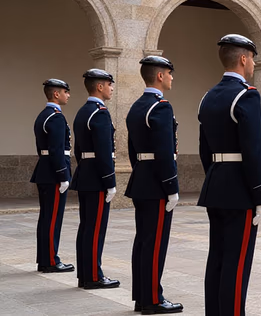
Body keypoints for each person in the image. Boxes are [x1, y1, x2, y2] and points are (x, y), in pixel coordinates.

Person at [198, 34, 261, 316]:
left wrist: (215, 177)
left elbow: (205, 149)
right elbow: (253, 149)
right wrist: (260, 194)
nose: (252, 64)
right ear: (243, 59)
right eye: (251, 58)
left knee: (217, 256)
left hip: (216, 184)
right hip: (240, 191)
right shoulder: (246, 95)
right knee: (237, 262)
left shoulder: (208, 96)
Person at [126, 56, 184, 314]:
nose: (172, 78)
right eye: (170, 73)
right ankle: (152, 299)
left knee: (143, 240)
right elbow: (164, 150)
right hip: (157, 184)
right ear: (160, 75)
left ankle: (141, 295)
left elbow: (132, 149)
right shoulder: (161, 107)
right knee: (155, 243)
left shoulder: (137, 106)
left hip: (142, 179)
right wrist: (171, 186)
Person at [71, 68, 120, 289]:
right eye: (109, 84)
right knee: (95, 228)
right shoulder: (100, 112)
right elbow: (103, 151)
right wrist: (110, 181)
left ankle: (85, 273)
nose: (111, 88)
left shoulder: (83, 111)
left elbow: (79, 151)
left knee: (86, 227)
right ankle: (93, 276)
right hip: (97, 178)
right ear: (99, 86)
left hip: (86, 173)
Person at [32, 79, 74, 273]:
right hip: (53, 173)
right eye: (66, 92)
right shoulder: (56, 116)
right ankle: (50, 260)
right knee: (52, 218)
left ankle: (44, 259)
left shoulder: (43, 115)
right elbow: (57, 149)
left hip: (45, 170)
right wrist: (63, 175)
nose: (68, 95)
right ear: (56, 94)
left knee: (46, 217)